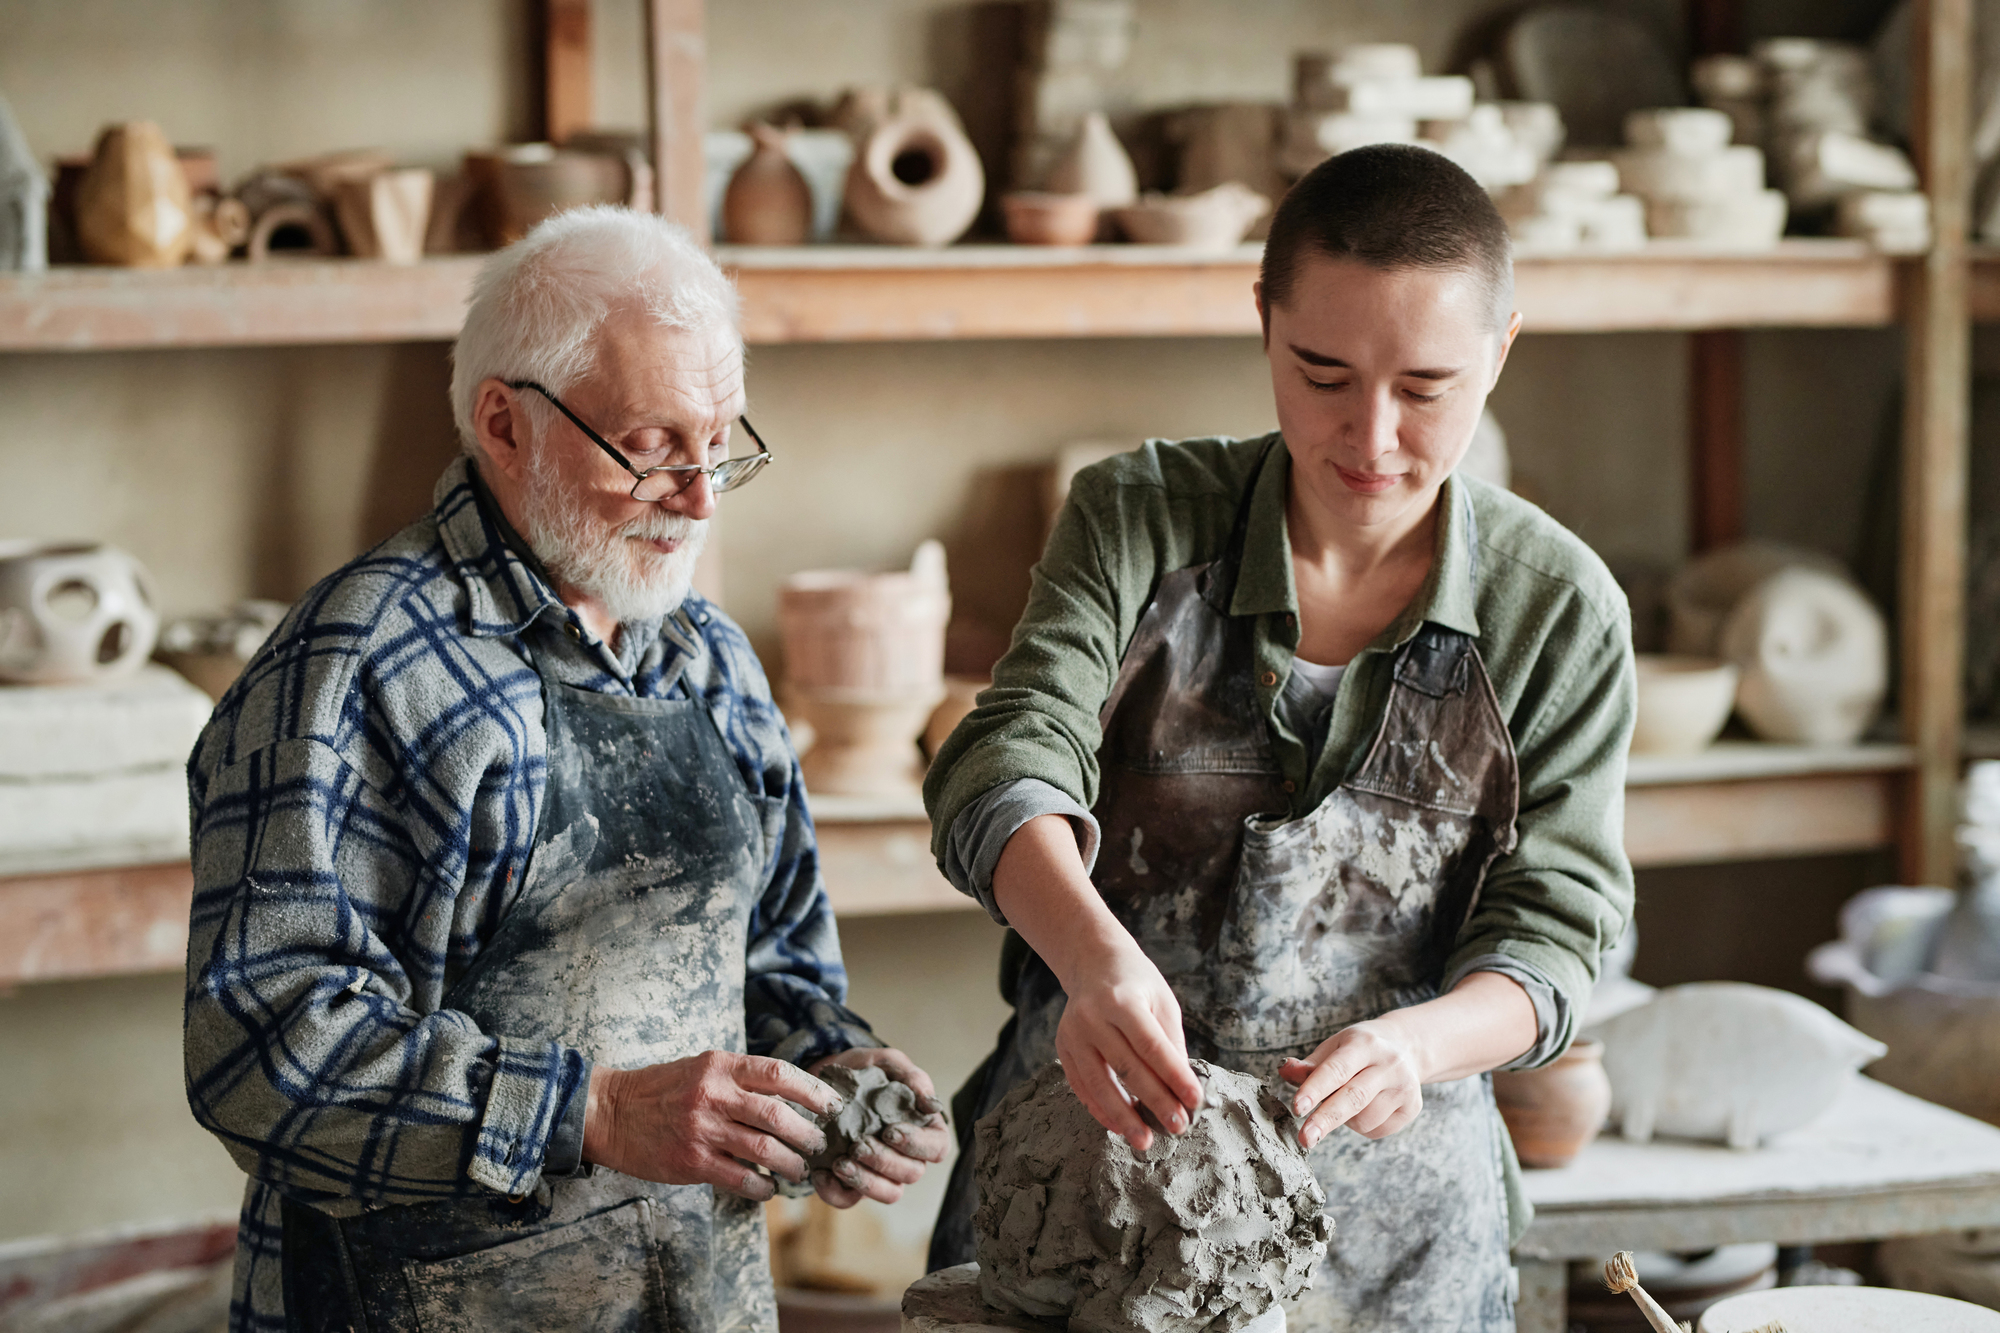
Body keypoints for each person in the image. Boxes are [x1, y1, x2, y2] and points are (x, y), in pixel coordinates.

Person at [184, 207, 949, 1333]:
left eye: (721, 440)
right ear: (504, 422)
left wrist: (829, 1074)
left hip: (695, 1299)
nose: (698, 496)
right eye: (650, 446)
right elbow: (261, 1051)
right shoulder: (360, 666)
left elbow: (773, 964)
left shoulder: (709, 658)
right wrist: (589, 1111)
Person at [924, 144, 1635, 1330]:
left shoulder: (1554, 608)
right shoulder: (1138, 517)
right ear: (1261, 322)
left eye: (1425, 387)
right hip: (1093, 1180)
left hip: (1395, 1221)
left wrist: (1417, 1044)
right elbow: (1006, 754)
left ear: (1500, 350)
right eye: (1321, 373)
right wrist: (1094, 960)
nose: (1372, 437)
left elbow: (1557, 929)